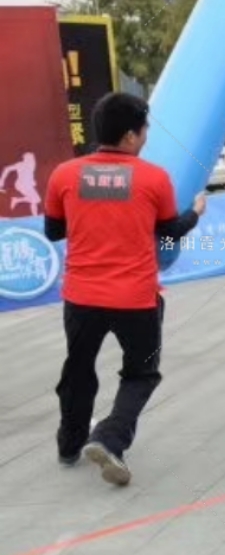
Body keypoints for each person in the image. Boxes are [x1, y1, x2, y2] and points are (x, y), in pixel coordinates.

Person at [42, 93, 206, 485]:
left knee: (78, 371)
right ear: (131, 136)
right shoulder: (153, 178)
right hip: (136, 299)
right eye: (146, 129)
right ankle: (110, 437)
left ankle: (69, 445)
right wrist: (196, 213)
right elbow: (169, 231)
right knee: (141, 373)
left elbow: (53, 231)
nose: (147, 136)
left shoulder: (64, 174)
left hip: (81, 297)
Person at [0, 151, 41, 217]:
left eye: (32, 157)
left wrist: (2, 181)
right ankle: (35, 216)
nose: (32, 159)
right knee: (35, 200)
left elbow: (7, 169)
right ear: (25, 158)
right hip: (23, 185)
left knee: (35, 199)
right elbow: (7, 169)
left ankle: (17, 200)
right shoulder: (23, 164)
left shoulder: (29, 164)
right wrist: (1, 181)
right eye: (30, 157)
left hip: (26, 185)